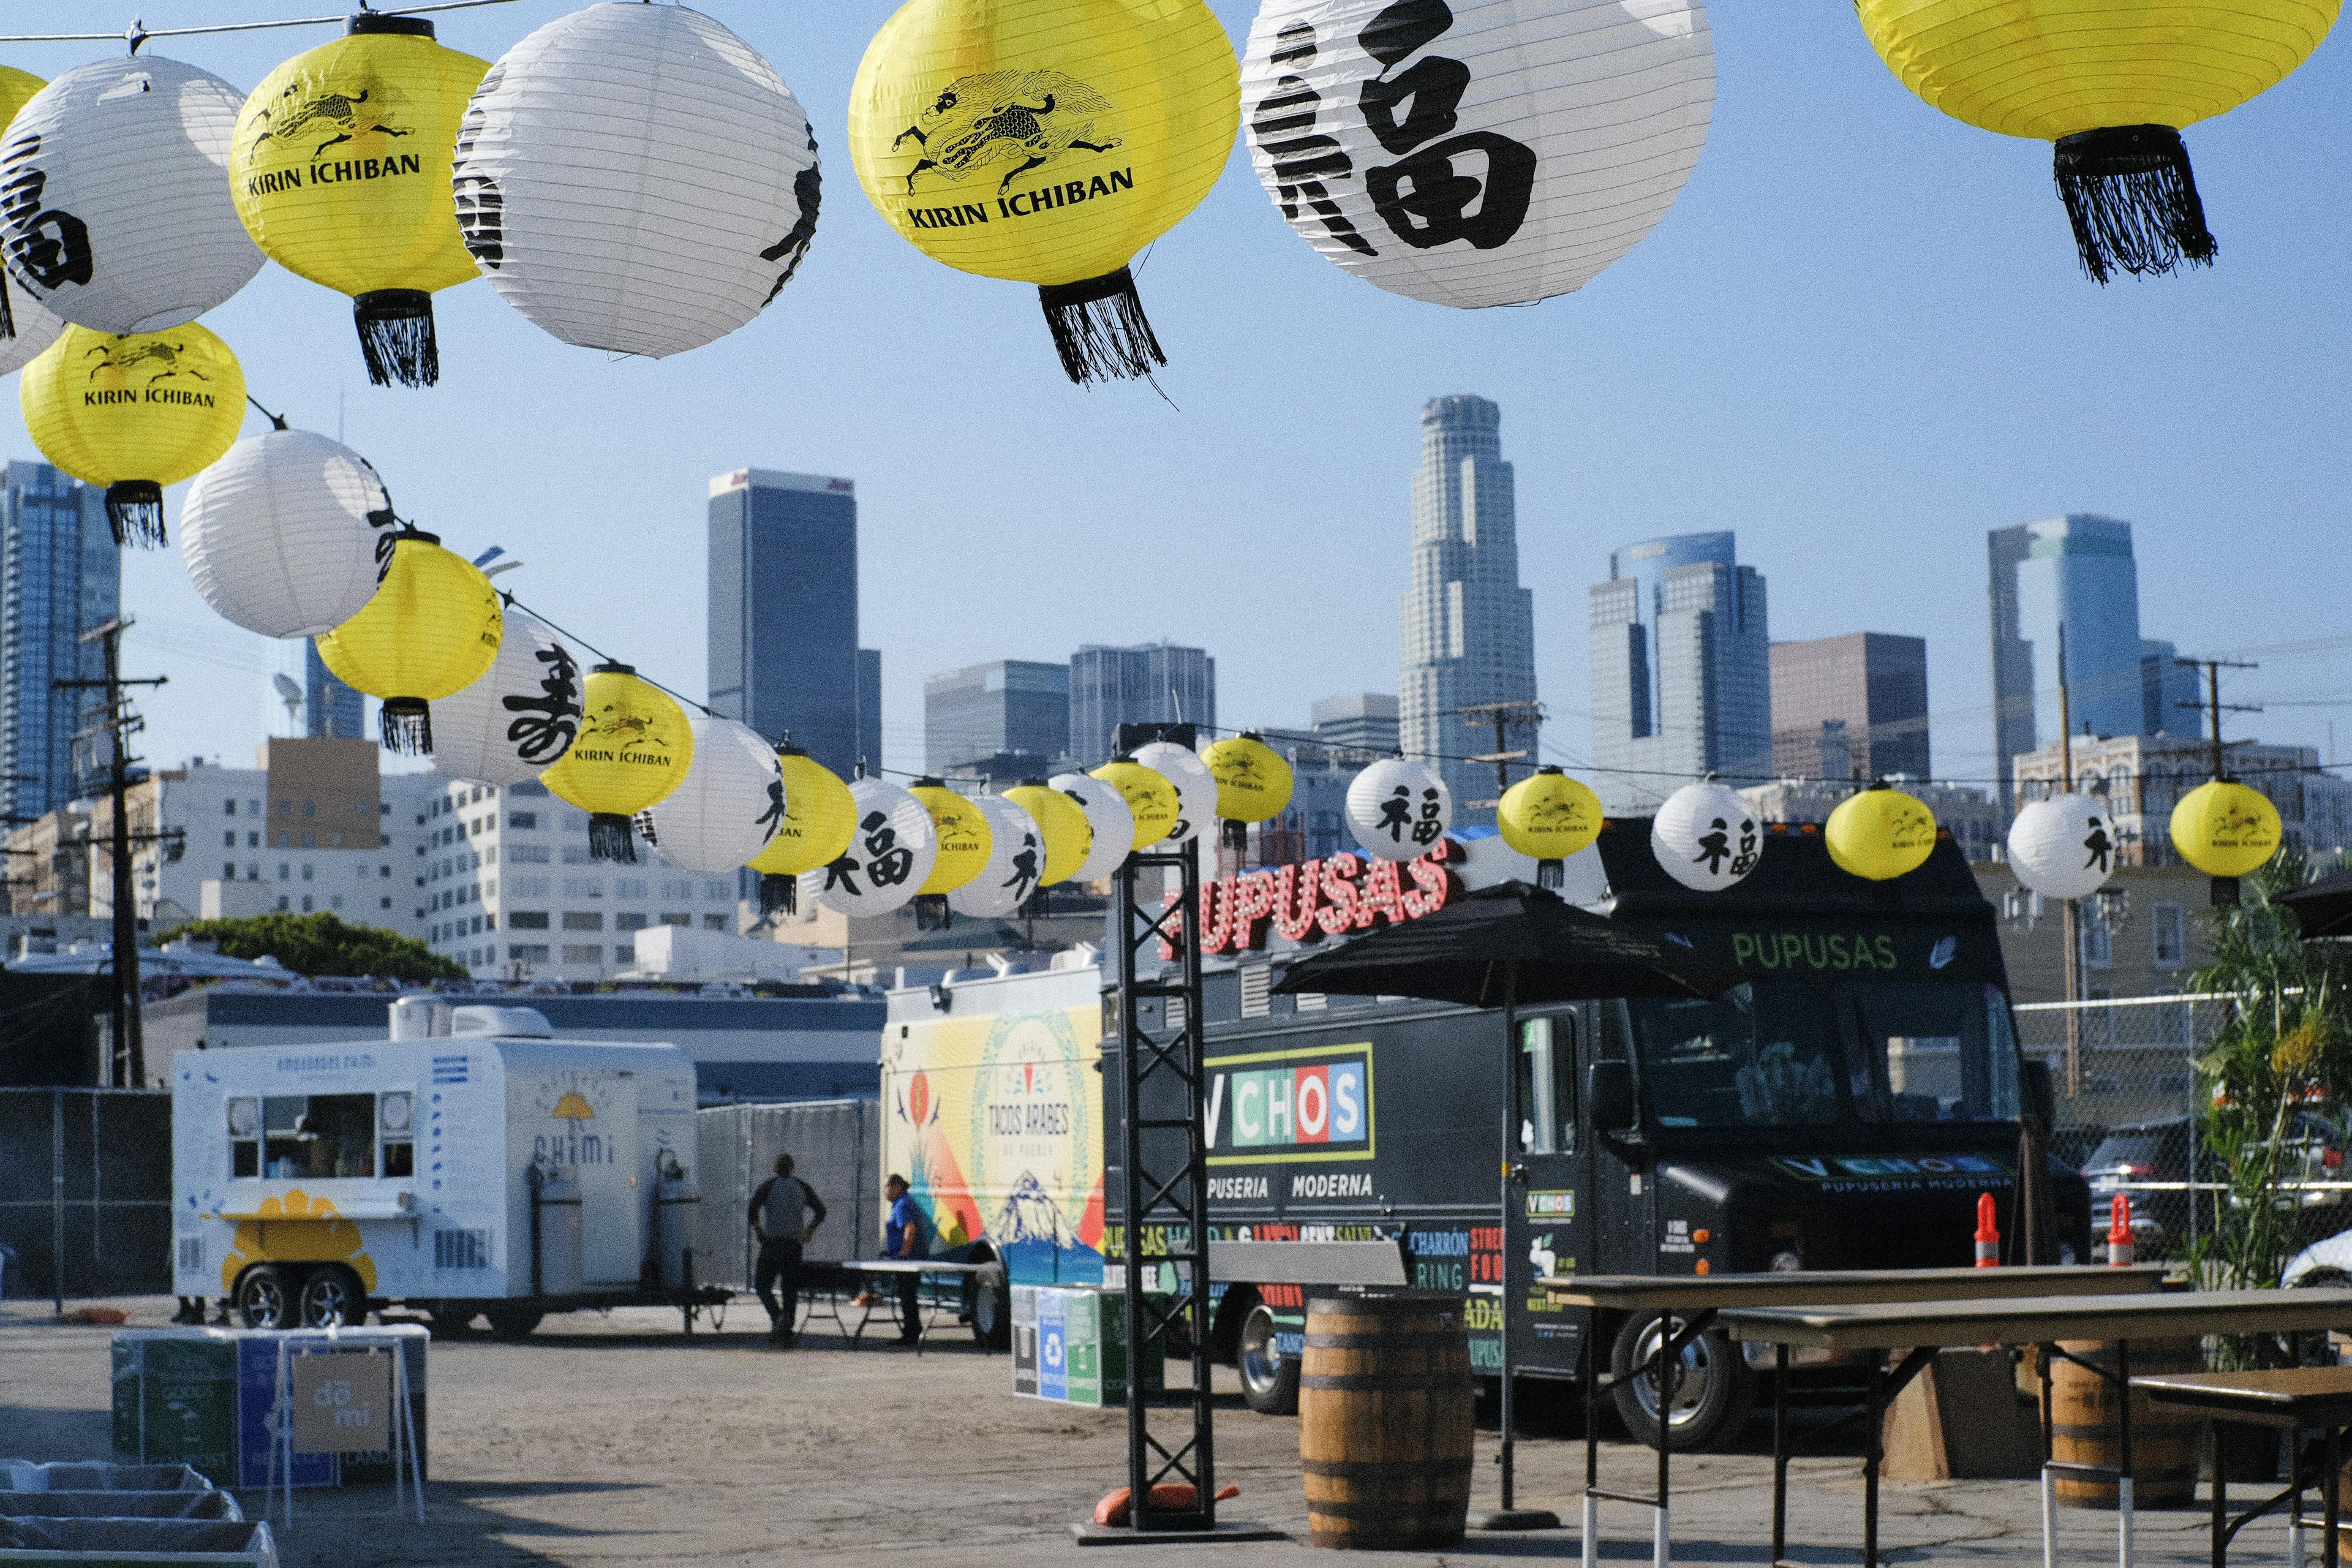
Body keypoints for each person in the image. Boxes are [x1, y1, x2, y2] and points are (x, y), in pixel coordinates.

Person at [748, 1153, 825, 1346]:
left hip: (772, 1244)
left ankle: (777, 1317)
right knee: (790, 1288)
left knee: (762, 1285)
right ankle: (787, 1329)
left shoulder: (768, 1186)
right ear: (793, 1169)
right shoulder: (802, 1187)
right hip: (794, 1245)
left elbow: (752, 1209)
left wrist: (759, 1230)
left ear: (775, 1169)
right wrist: (810, 1229)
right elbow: (821, 1210)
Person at [881, 1172, 930, 1347]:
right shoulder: (901, 1203)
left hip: (908, 1260)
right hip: (907, 1258)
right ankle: (911, 1330)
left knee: (907, 1295)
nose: (884, 1190)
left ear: (897, 1187)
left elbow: (910, 1228)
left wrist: (904, 1251)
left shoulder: (902, 1205)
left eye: (887, 1186)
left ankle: (911, 1333)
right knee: (907, 1295)